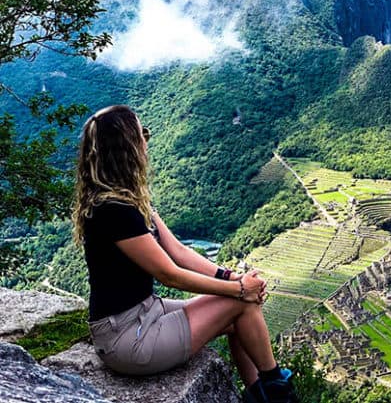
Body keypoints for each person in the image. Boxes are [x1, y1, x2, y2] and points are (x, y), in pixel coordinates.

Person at [71, 104, 298, 403]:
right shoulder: (113, 211)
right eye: (143, 135)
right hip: (127, 338)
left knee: (238, 314)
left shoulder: (129, 201)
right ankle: (278, 393)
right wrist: (240, 289)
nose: (146, 143)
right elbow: (170, 274)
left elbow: (178, 251)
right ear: (128, 148)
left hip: (144, 313)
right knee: (240, 306)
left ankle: (260, 394)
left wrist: (232, 277)